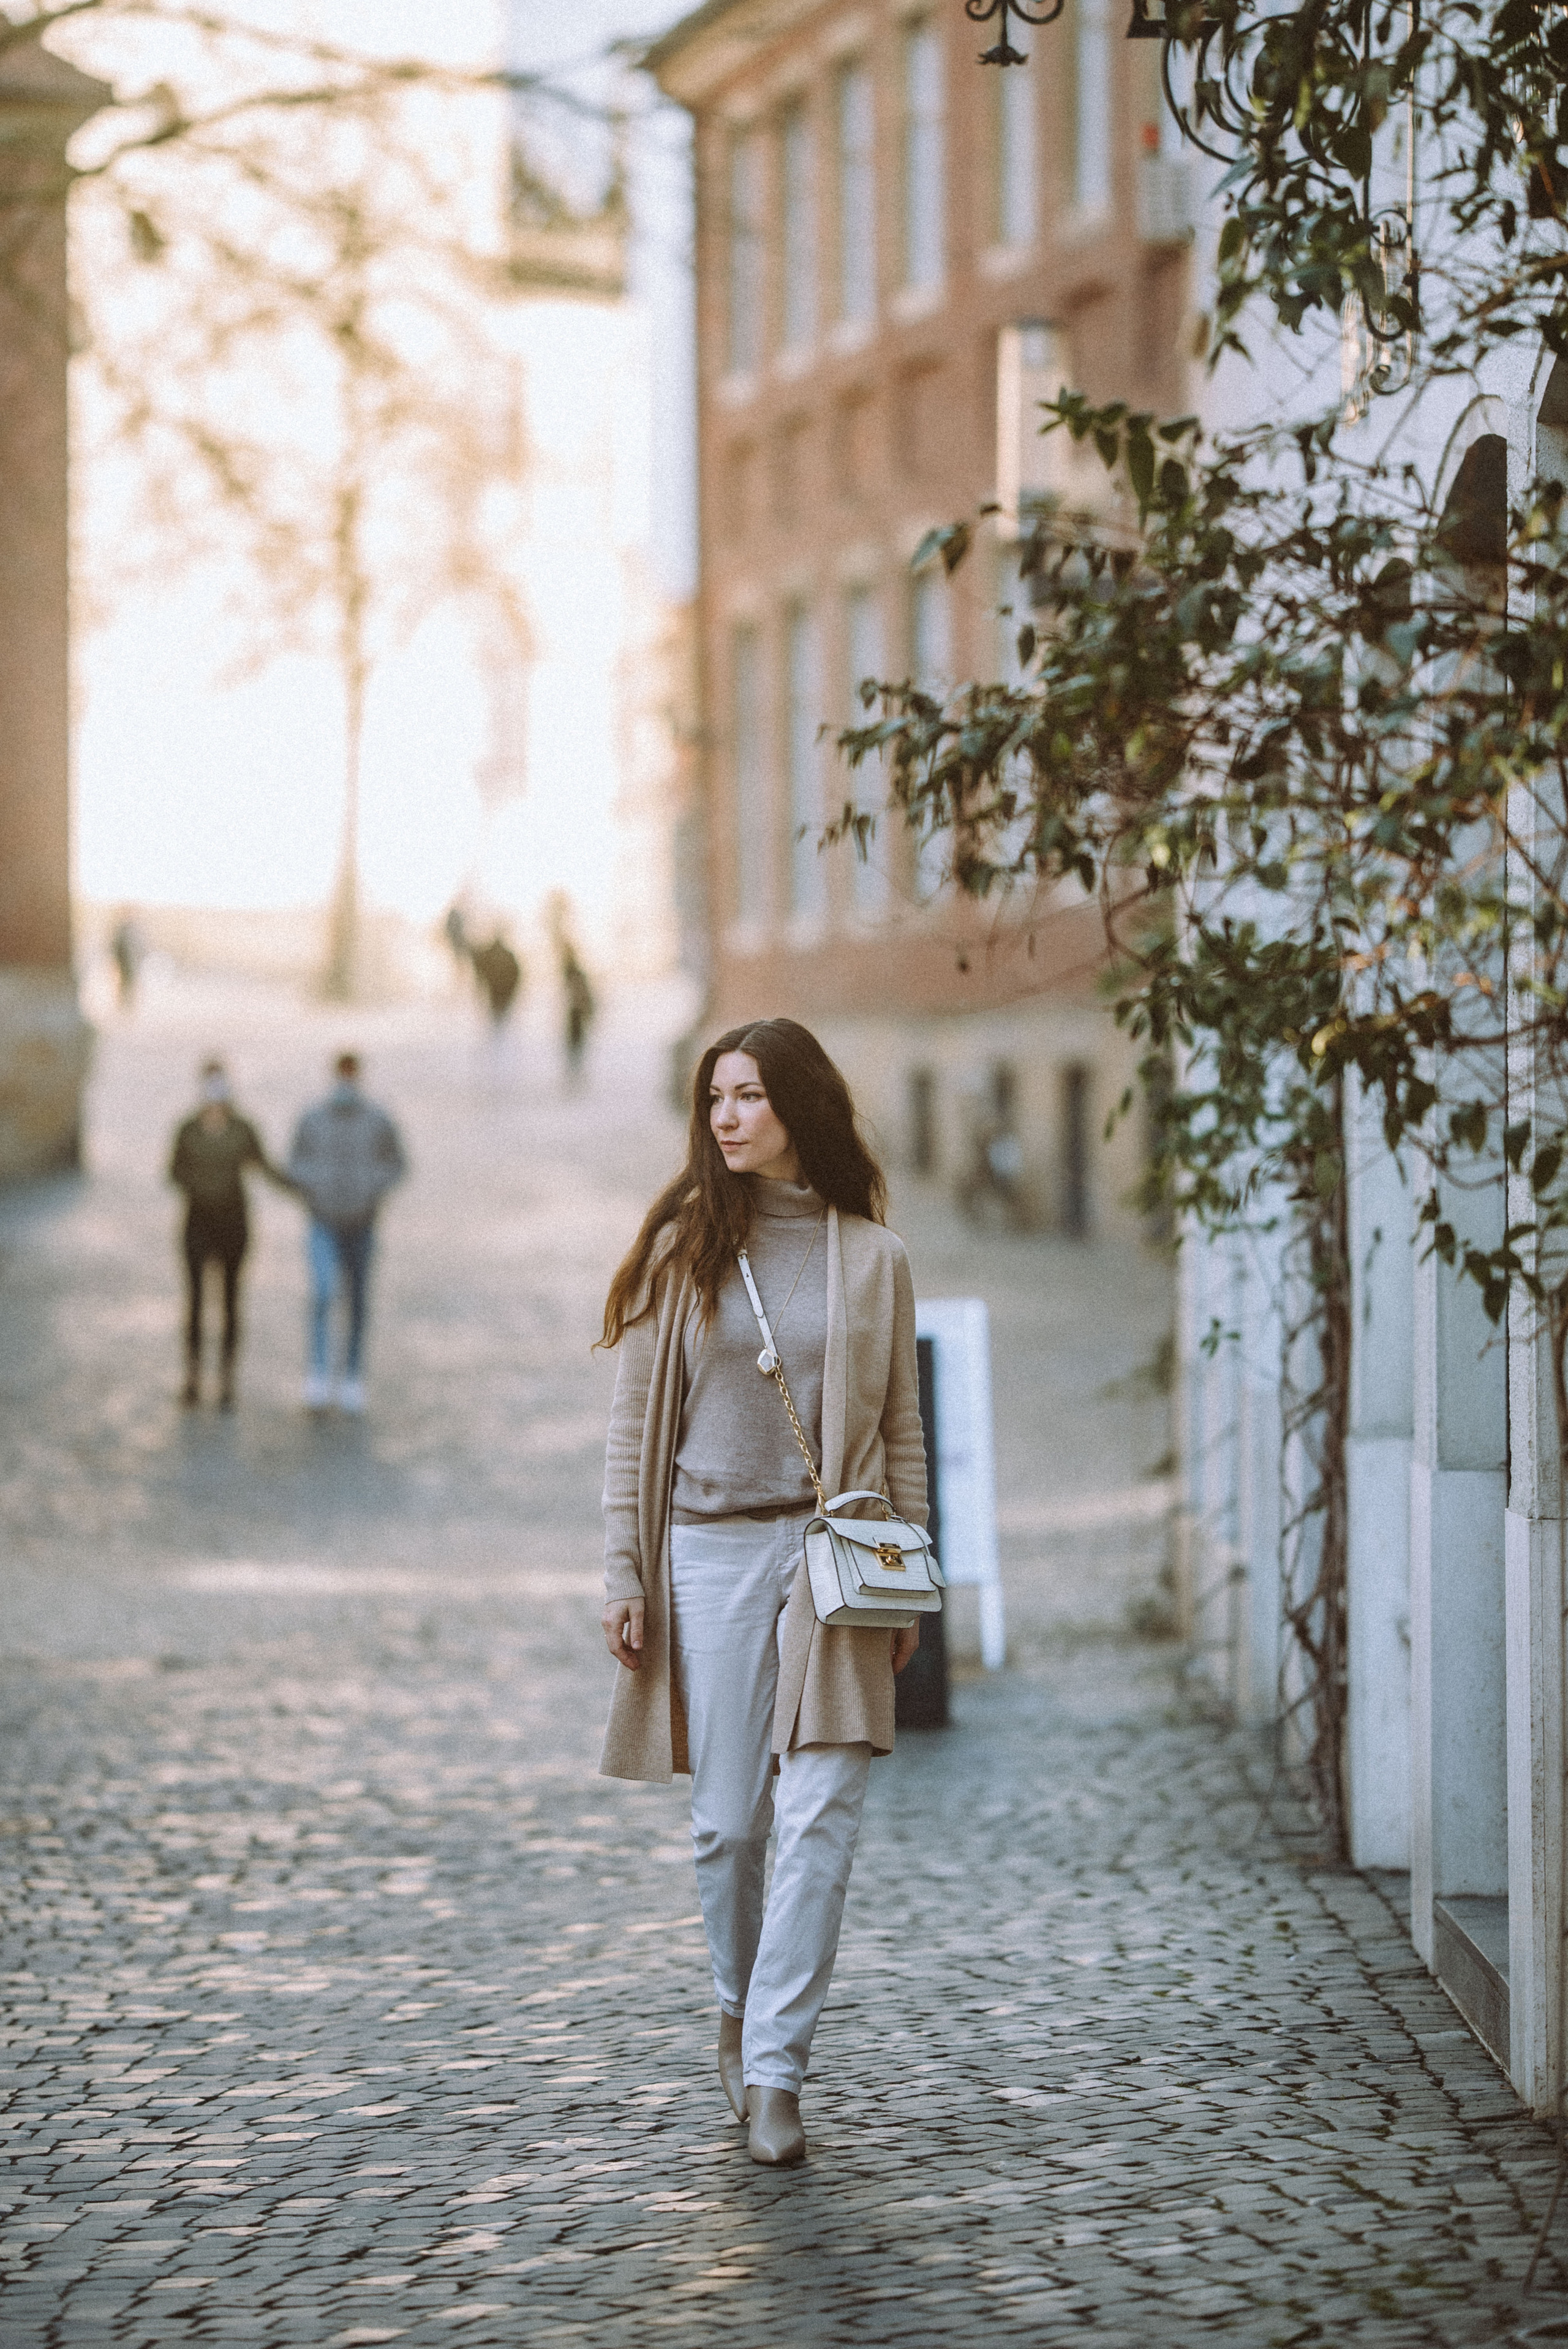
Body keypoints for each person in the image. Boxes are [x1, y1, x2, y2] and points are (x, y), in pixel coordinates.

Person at [597, 1017, 926, 2169]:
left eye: (747, 1094)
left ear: (798, 1104)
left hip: (834, 1559)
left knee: (823, 1806)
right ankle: (733, 2004)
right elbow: (635, 1419)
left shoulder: (871, 1255)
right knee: (727, 1825)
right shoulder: (687, 1245)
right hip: (713, 1551)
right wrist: (624, 1571)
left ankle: (779, 2064)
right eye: (715, 1098)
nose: (727, 1116)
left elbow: (900, 1425)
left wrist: (909, 1581)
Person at [287, 1053, 407, 1413]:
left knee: (357, 1301)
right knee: (323, 1296)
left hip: (362, 1221)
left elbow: (397, 1163)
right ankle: (319, 1375)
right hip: (323, 1220)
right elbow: (295, 1161)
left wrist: (372, 1188)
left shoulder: (378, 1119)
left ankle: (353, 1375)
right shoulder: (313, 1118)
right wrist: (314, 1187)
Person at [168, 1058, 288, 1410]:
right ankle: (192, 1376)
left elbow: (265, 1167)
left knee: (231, 1302)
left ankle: (226, 1378)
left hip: (233, 1225)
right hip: (198, 1223)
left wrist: (307, 1190)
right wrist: (203, 1186)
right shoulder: (188, 1129)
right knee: (195, 1302)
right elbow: (173, 1172)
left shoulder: (243, 1128)